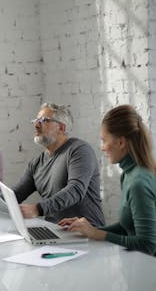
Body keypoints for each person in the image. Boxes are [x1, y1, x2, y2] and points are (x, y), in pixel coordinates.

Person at [59, 105, 156, 255]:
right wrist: (90, 230)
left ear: (121, 143)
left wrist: (98, 234)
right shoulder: (128, 175)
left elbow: (148, 245)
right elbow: (127, 227)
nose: (103, 148)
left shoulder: (138, 183)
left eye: (104, 141)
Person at [11, 103, 105, 227]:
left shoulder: (80, 150)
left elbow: (75, 190)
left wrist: (38, 209)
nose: (36, 125)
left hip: (87, 234)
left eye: (44, 120)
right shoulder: (36, 163)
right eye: (36, 120)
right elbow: (16, 193)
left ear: (61, 128)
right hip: (55, 231)